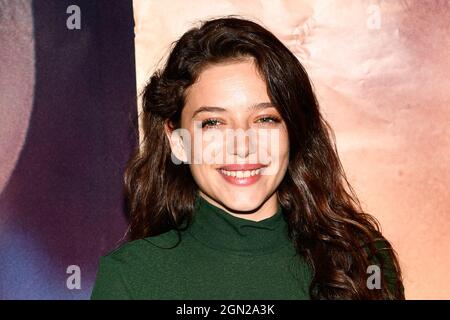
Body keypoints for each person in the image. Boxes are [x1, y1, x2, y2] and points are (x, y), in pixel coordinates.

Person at [91, 16, 404, 300]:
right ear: (179, 142)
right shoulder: (131, 278)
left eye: (265, 119)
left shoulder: (365, 259)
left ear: (293, 132)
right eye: (213, 123)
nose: (242, 146)